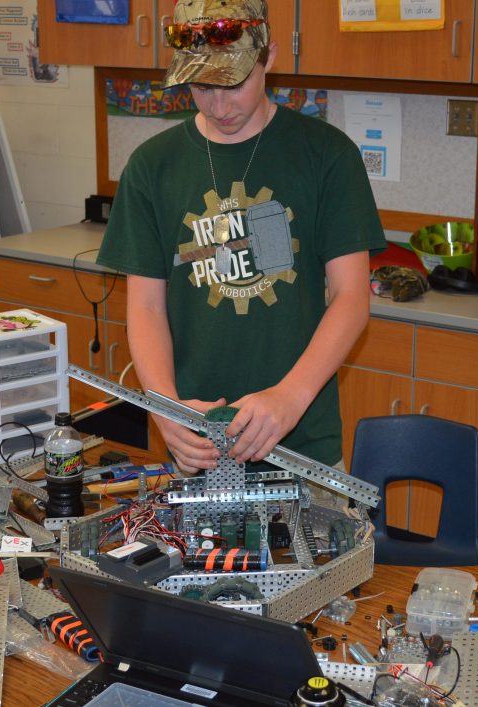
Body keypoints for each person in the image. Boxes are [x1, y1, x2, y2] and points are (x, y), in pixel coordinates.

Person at [96, 0, 385, 474]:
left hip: (302, 444)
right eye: (202, 87)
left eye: (234, 84)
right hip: (197, 443)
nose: (219, 105)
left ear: (268, 57)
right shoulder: (152, 167)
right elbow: (145, 307)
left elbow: (352, 298)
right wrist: (166, 410)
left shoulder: (327, 155)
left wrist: (290, 397)